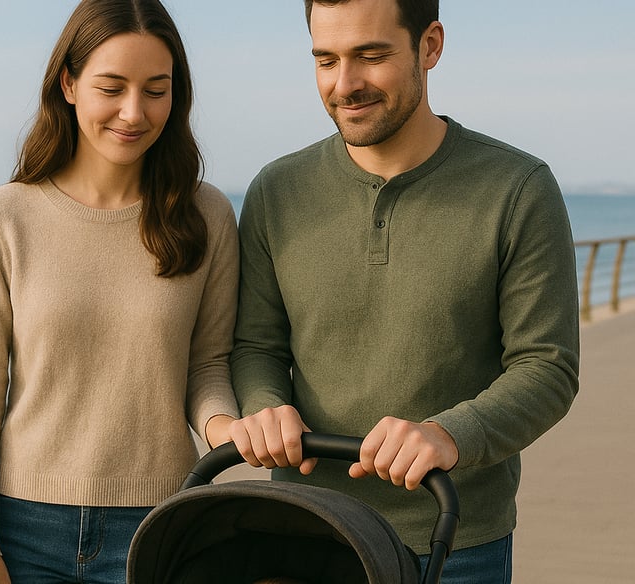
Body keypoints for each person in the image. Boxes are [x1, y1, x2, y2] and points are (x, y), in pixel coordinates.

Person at [228, 0, 579, 581]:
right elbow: (256, 346)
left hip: (454, 540)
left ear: (430, 46)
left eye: (371, 56)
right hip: (303, 528)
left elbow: (548, 367)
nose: (346, 84)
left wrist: (449, 434)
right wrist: (265, 406)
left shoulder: (519, 189)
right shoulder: (276, 190)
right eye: (326, 60)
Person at [0, 1, 239, 582]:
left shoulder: (207, 214)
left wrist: (225, 427)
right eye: (112, 87)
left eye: (157, 90)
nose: (134, 112)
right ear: (70, 84)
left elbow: (207, 365)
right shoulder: (5, 217)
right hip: (22, 526)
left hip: (161, 521)